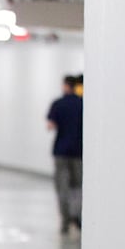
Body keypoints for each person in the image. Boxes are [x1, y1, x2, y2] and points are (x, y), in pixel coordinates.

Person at [47, 73, 83, 234]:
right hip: (78, 152)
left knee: (62, 187)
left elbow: (50, 126)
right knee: (77, 186)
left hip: (61, 151)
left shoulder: (58, 104)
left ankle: (65, 220)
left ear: (66, 86)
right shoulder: (83, 104)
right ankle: (77, 216)